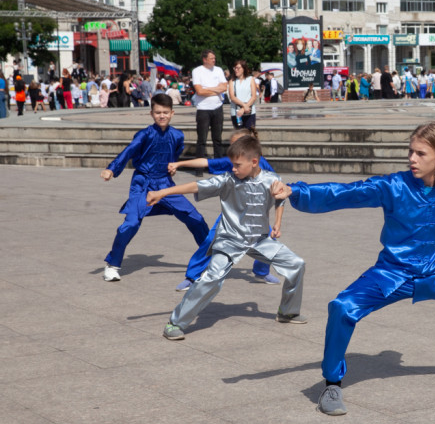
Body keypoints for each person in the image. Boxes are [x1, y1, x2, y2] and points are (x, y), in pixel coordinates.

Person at [272, 122, 435, 416]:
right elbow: (344, 193)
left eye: (420, 154)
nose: (412, 159)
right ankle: (331, 384)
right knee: (342, 307)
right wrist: (295, 191)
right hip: (392, 275)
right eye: (410, 152)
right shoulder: (393, 186)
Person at [149, 134, 307, 340]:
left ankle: (287, 312)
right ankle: (175, 323)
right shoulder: (227, 180)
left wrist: (277, 223)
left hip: (259, 240)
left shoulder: (272, 179)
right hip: (230, 239)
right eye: (232, 164)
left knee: (296, 264)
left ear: (254, 162)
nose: (233, 169)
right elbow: (196, 186)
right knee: (212, 277)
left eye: (237, 165)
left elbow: (280, 199)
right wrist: (162, 193)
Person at [100, 94, 210, 281]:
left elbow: (174, 155)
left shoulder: (177, 135)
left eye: (165, 112)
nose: (162, 116)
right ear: (151, 113)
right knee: (130, 224)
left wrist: (172, 167)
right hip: (142, 183)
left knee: (195, 219)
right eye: (158, 112)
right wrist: (111, 169)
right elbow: (129, 151)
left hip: (165, 184)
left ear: (172, 113)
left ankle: (210, 261)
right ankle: (112, 265)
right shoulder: (144, 135)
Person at [167, 130, 283, 291]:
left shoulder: (261, 164)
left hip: (255, 215)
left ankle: (261, 271)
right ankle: (192, 277)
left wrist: (277, 221)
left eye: (236, 144)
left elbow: (278, 190)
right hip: (232, 215)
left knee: (269, 241)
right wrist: (179, 164)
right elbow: (206, 163)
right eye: (231, 145)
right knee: (210, 241)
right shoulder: (233, 162)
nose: (233, 149)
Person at [193, 49, 228, 161]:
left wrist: (207, 88)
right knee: (202, 139)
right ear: (204, 59)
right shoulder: (197, 71)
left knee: (217, 138)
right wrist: (216, 90)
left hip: (217, 107)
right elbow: (199, 91)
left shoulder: (218, 70)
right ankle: (199, 165)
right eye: (211, 58)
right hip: (203, 108)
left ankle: (218, 163)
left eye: (214, 58)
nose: (214, 60)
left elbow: (224, 87)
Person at [227, 59, 258, 129]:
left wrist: (244, 109)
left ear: (243, 69)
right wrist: (244, 106)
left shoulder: (250, 79)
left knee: (249, 133)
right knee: (239, 133)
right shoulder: (232, 81)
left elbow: (253, 97)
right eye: (235, 68)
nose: (236, 70)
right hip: (236, 112)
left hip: (249, 111)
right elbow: (232, 97)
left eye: (238, 68)